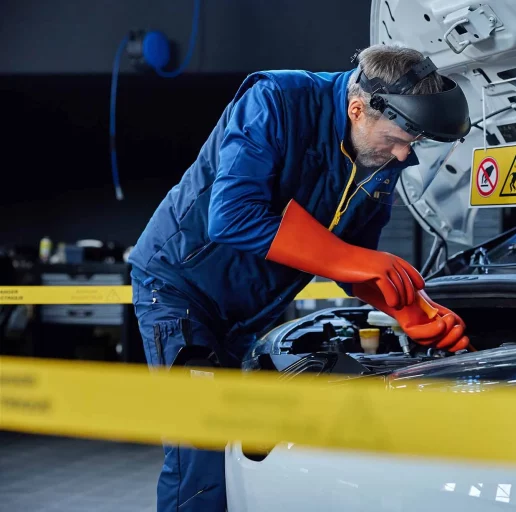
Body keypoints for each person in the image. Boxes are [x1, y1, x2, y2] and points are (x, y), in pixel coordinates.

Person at [127, 43, 471, 512]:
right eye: (396, 140)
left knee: (239, 449)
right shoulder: (276, 99)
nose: (402, 155)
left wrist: (408, 308)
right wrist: (357, 262)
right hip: (181, 288)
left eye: (411, 144)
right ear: (358, 109)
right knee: (200, 449)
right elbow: (231, 216)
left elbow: (355, 259)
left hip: (247, 311)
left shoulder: (378, 156)